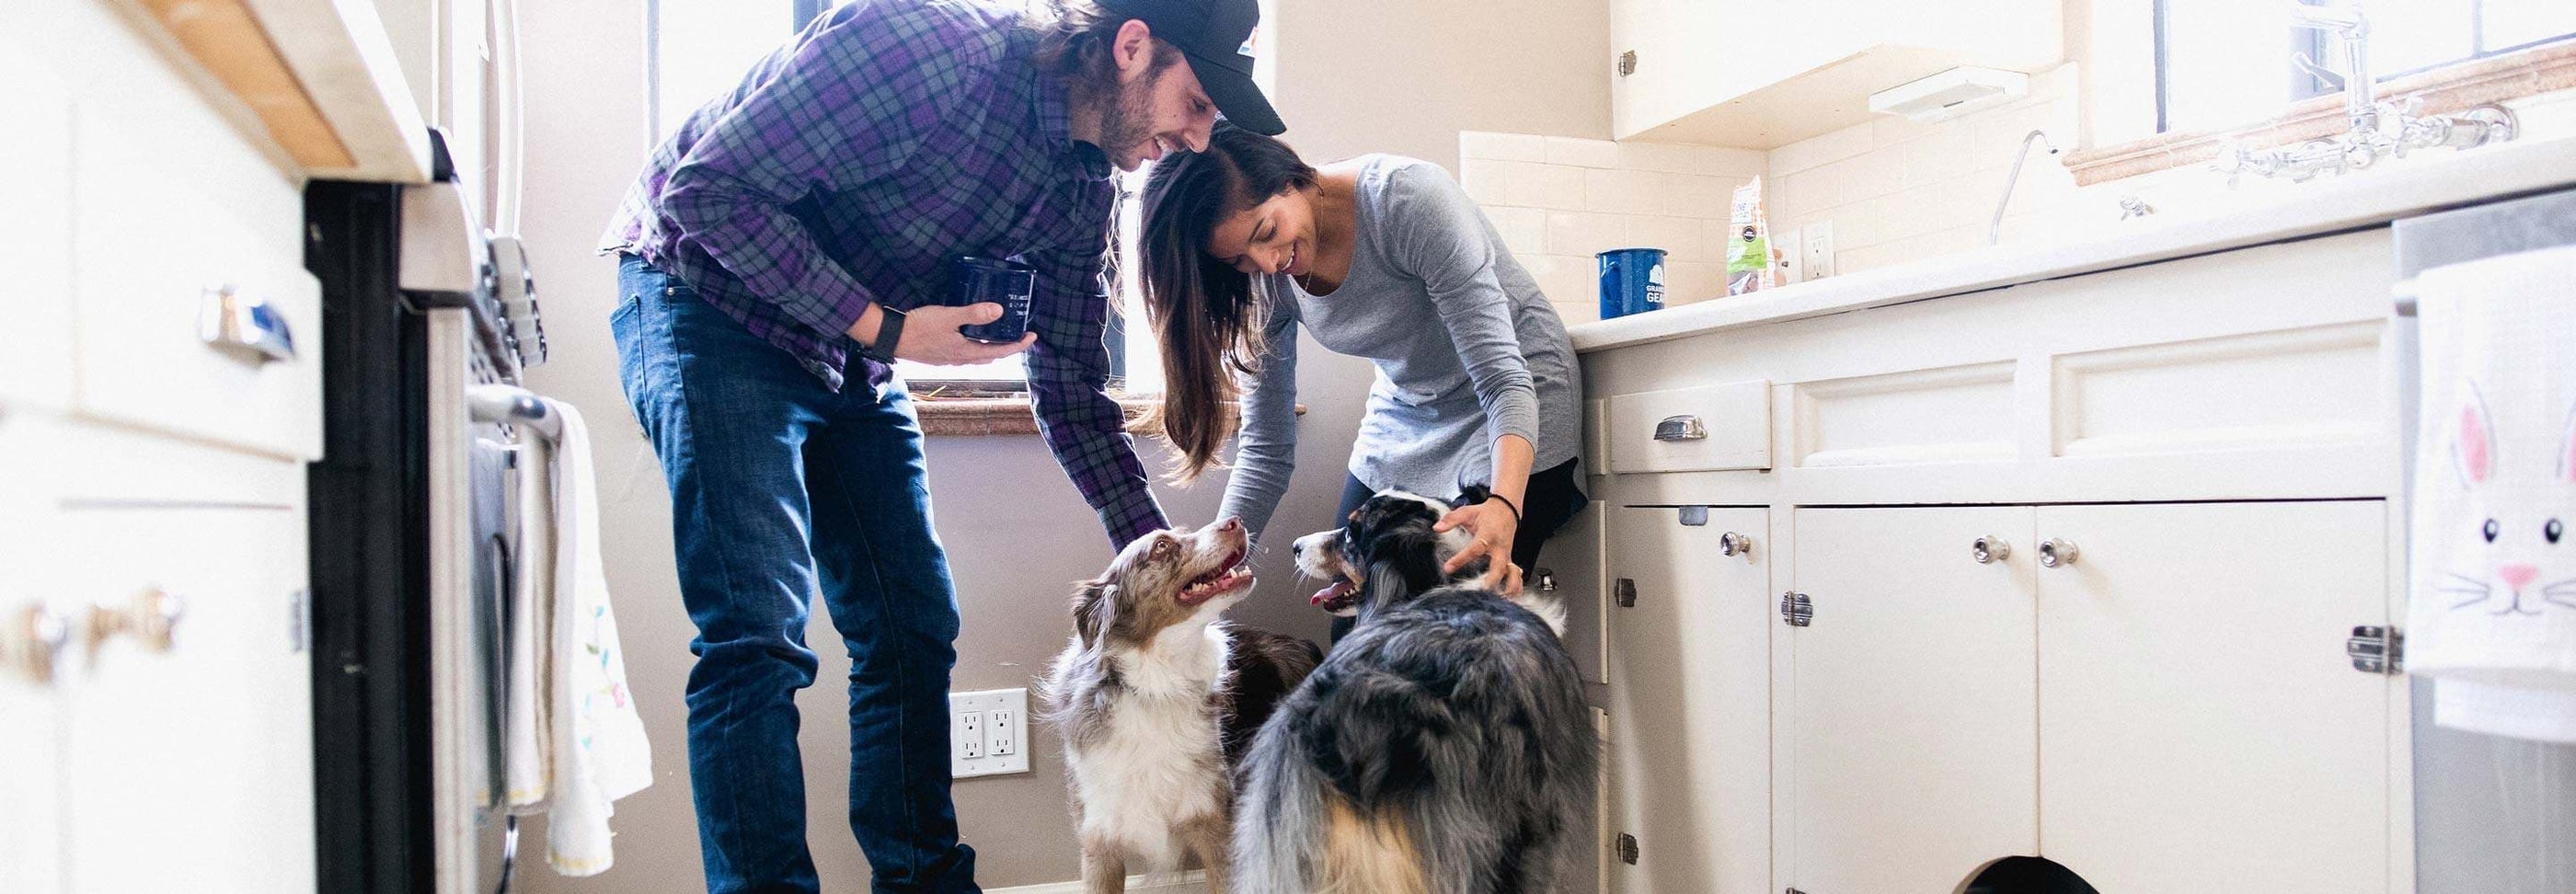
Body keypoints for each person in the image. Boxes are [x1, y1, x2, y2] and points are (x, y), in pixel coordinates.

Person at [596, 0, 1281, 889]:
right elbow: (707, 193)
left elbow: (1072, 390)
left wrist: (1166, 561)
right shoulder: (932, 50)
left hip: (848, 348)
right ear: (1131, 46)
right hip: (705, 298)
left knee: (912, 624)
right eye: (1193, 105)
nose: (1194, 140)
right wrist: (884, 327)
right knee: (756, 632)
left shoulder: (1082, 191)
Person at [1136, 124, 1584, 632]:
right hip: (1410, 412)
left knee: (1455, 633)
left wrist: (1504, 504)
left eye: (1266, 233)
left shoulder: (1407, 201)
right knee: (1354, 628)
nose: (1265, 263)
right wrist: (1217, 565)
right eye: (1239, 258)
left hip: (1514, 402)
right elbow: (1266, 448)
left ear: (1287, 177)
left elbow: (1503, 378)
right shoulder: (1266, 280)